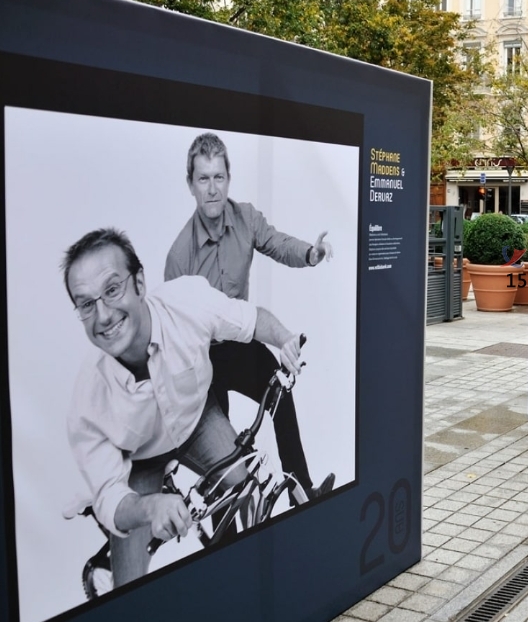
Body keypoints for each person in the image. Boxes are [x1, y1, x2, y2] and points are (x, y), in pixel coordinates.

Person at [64, 228, 305, 587]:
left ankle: (237, 575)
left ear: (140, 283)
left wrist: (285, 339)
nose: (103, 316)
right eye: (86, 304)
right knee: (128, 586)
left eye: (112, 289)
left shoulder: (188, 301)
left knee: (242, 482)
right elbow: (111, 497)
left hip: (197, 419)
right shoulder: (88, 400)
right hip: (140, 460)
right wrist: (149, 506)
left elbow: (251, 320)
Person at [164, 133, 334, 502]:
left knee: (279, 391)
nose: (212, 189)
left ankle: (301, 491)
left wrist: (311, 253)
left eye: (219, 177)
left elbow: (278, 243)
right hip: (201, 358)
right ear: (190, 184)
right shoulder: (179, 256)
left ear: (229, 179)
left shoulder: (246, 218)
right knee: (224, 461)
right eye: (203, 179)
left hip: (240, 341)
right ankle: (226, 522)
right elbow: (174, 335)